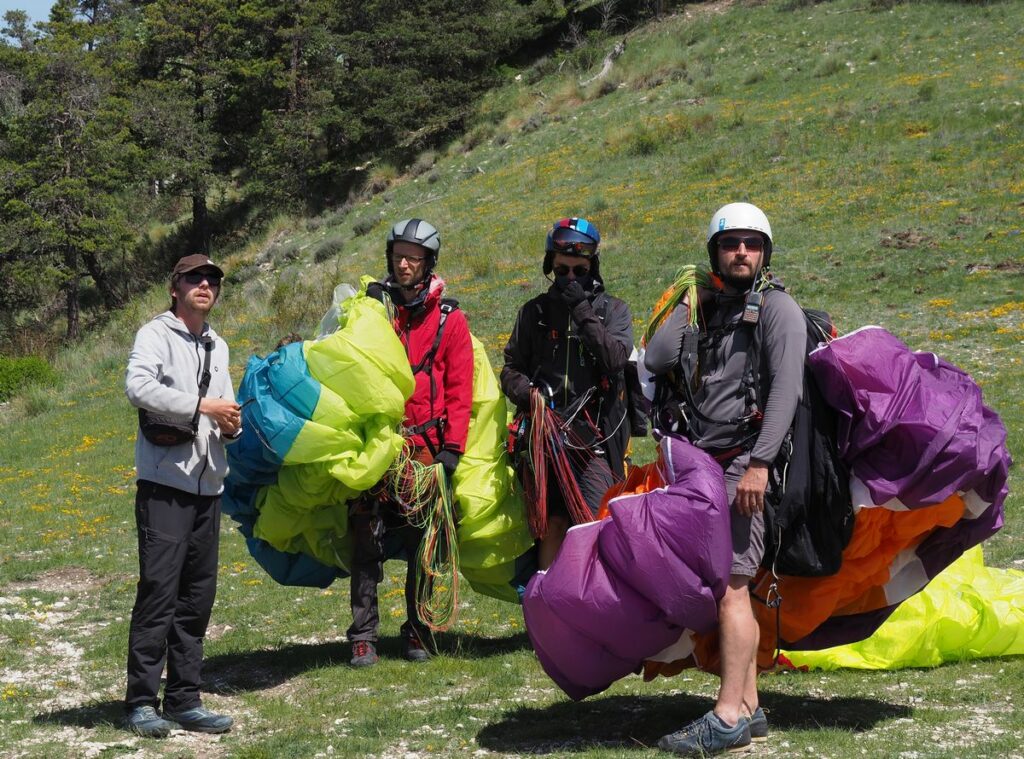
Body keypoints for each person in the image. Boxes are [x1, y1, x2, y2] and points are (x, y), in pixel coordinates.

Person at [644, 203, 806, 756]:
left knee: (733, 588)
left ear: (765, 252)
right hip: (708, 464)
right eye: (730, 243)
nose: (742, 252)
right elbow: (661, 356)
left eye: (751, 244)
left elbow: (786, 393)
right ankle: (752, 707)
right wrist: (688, 296)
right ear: (715, 252)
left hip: (746, 464)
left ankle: (727, 715)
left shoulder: (779, 310)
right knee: (734, 588)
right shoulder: (709, 310)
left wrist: (759, 464)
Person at [124, 254, 241, 738]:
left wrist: (231, 425)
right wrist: (201, 405)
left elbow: (227, 408)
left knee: (196, 597)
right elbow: (137, 387)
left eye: (212, 280)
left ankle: (185, 699)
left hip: (207, 486)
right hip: (165, 486)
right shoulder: (155, 334)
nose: (205, 286)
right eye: (195, 278)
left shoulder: (218, 344)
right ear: (175, 287)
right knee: (158, 593)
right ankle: (140, 703)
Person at [348, 218, 473, 667]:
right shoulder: (374, 311)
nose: (404, 264)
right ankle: (363, 635)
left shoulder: (449, 319)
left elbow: (461, 389)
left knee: (426, 543)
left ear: (428, 264)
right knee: (365, 540)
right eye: (399, 255)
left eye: (414, 258)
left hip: (425, 449)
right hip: (379, 446)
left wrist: (452, 450)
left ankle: (418, 628)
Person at [500, 217, 634, 569]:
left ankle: (590, 610)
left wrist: (581, 309)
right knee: (551, 526)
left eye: (579, 270)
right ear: (550, 268)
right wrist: (528, 394)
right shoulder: (535, 313)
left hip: (595, 443)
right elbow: (511, 368)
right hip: (543, 442)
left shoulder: (613, 311)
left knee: (592, 524)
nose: (571, 278)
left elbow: (616, 360)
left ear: (593, 267)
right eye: (562, 271)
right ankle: (548, 613)